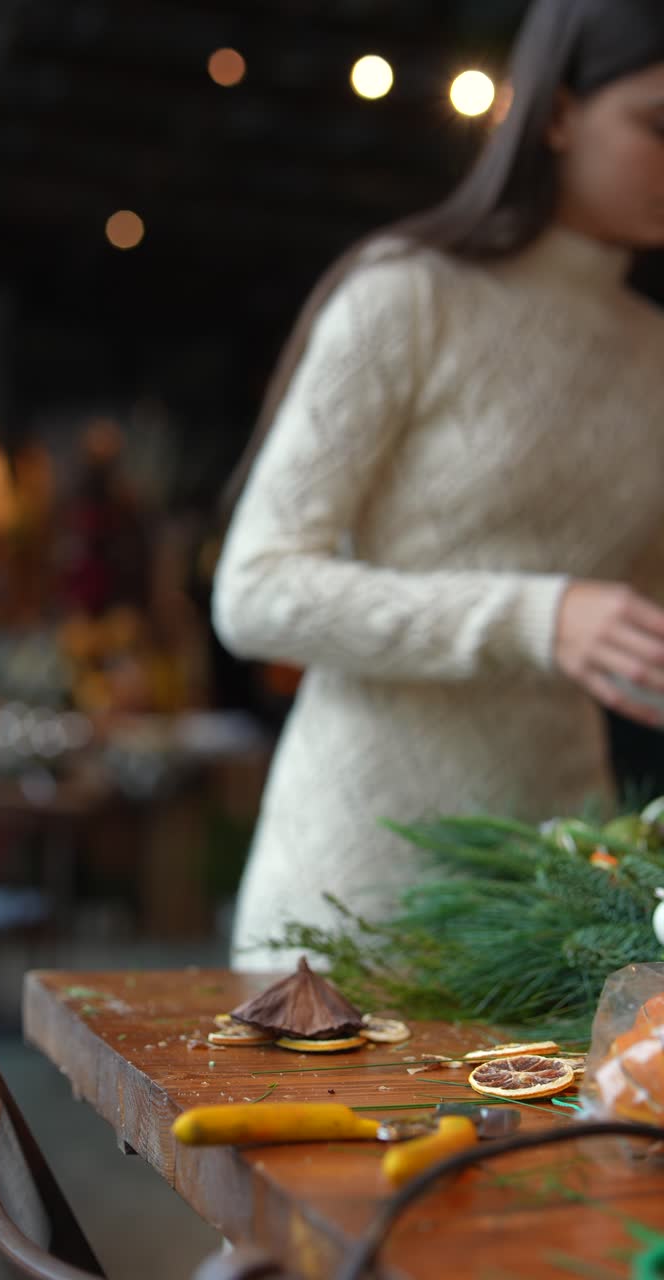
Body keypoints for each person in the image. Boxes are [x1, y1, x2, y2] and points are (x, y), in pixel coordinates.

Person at [213, 0, 664, 970]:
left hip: (557, 906)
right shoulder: (406, 294)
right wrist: (536, 616)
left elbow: (636, 617)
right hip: (347, 894)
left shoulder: (657, 356)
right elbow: (253, 591)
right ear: (556, 113)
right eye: (659, 125)